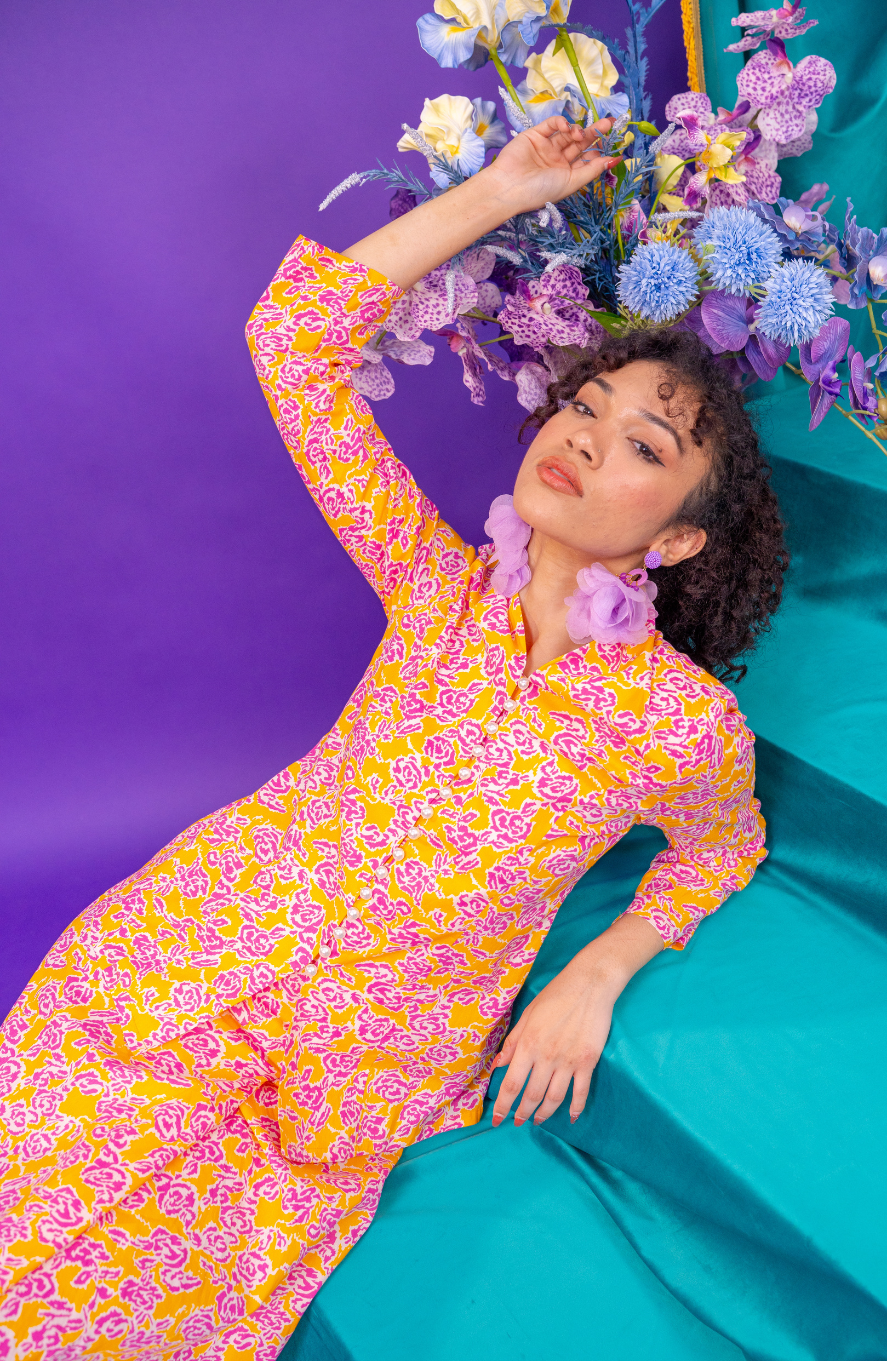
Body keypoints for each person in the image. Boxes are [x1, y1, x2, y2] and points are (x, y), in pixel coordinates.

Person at [0, 115, 786, 1359]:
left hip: (343, 1083)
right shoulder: (436, 585)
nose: (585, 434)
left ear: (678, 539)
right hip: (188, 955)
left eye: (644, 444)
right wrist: (502, 189)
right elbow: (292, 340)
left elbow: (720, 848)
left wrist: (595, 971)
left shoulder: (681, 725)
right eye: (584, 404)